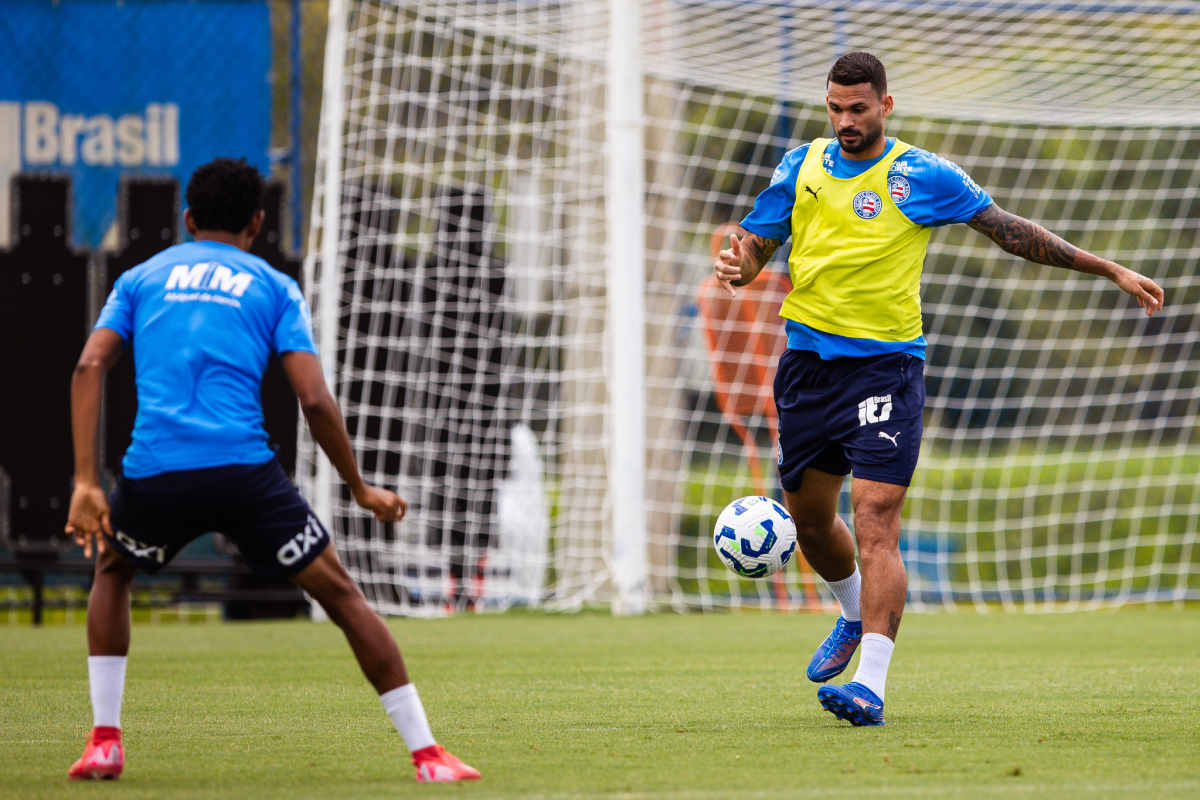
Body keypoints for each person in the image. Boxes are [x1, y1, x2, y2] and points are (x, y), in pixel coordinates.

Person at [714, 52, 1164, 726]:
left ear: (885, 105)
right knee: (810, 520)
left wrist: (1109, 270)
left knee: (875, 518)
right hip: (806, 367)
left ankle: (869, 684)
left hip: (884, 370)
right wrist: (737, 261)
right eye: (835, 108)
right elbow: (754, 245)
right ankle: (850, 613)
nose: (845, 121)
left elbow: (1012, 231)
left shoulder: (919, 175)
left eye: (858, 109)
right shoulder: (800, 166)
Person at [63, 157, 480, 782]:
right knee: (341, 594)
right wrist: (359, 488)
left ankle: (104, 743)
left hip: (156, 473)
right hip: (244, 476)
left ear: (188, 219)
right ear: (257, 222)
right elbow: (313, 399)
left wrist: (86, 482)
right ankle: (427, 755)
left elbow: (89, 367)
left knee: (115, 569)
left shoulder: (140, 277)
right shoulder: (274, 286)